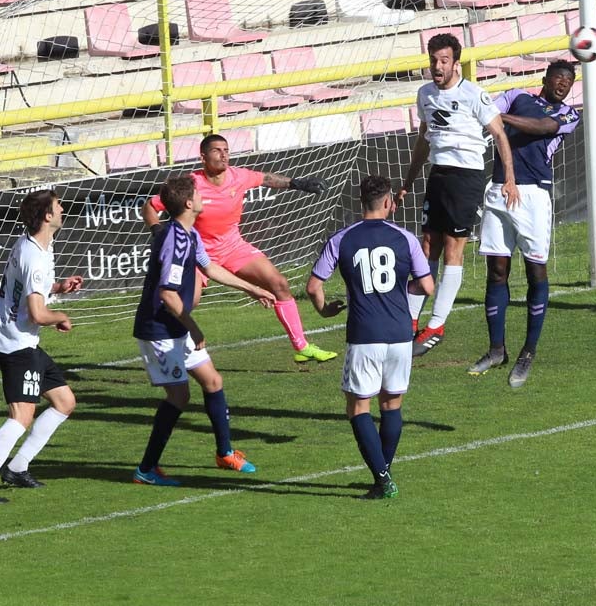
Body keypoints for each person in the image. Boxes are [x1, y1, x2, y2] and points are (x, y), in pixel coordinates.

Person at [132, 175, 277, 486]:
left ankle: (225, 454)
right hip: (160, 330)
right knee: (179, 396)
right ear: (188, 203)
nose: (203, 198)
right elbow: (167, 294)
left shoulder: (190, 234)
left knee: (212, 381)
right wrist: (194, 329)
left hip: (175, 326)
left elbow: (210, 268)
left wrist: (251, 288)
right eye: (198, 194)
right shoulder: (175, 240)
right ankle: (146, 469)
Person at [140, 134, 336, 364]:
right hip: (199, 253)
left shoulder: (238, 176)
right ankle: (164, 344)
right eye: (216, 150)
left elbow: (266, 178)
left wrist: (297, 183)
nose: (223, 154)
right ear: (203, 157)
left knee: (279, 284)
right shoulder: (190, 185)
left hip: (233, 246)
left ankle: (302, 346)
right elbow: (149, 206)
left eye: (226, 149)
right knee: (185, 303)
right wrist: (157, 229)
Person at [306, 176, 434, 499]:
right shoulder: (406, 239)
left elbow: (313, 286)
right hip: (401, 334)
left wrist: (325, 311)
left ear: (361, 202)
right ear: (389, 202)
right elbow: (427, 286)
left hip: (365, 335)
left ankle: (382, 478)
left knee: (358, 408)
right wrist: (401, 291)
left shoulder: (341, 240)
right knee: (392, 404)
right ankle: (382, 475)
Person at [399, 33, 520, 356]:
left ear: (455, 63)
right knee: (427, 247)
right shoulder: (424, 94)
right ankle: (409, 322)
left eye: (443, 61)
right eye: (433, 61)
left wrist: (509, 178)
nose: (437, 67)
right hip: (437, 174)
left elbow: (498, 134)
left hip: (466, 177)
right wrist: (408, 180)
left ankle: (436, 325)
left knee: (454, 249)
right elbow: (424, 140)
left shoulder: (473, 94)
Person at [0, 189, 85, 504]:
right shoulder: (35, 257)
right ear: (47, 215)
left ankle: (17, 468)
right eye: (58, 206)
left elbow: (30, 291)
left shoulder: (37, 245)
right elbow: (37, 313)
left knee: (64, 402)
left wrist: (57, 288)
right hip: (17, 346)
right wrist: (60, 315)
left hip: (22, 340)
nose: (62, 209)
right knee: (21, 416)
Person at [469, 60, 581, 388]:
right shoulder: (516, 94)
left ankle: (528, 352)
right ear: (545, 79)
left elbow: (543, 128)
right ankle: (496, 349)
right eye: (558, 79)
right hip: (499, 188)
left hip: (533, 194)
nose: (563, 85)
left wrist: (499, 118)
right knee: (497, 270)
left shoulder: (569, 115)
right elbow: (486, 109)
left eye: (568, 82)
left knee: (536, 271)